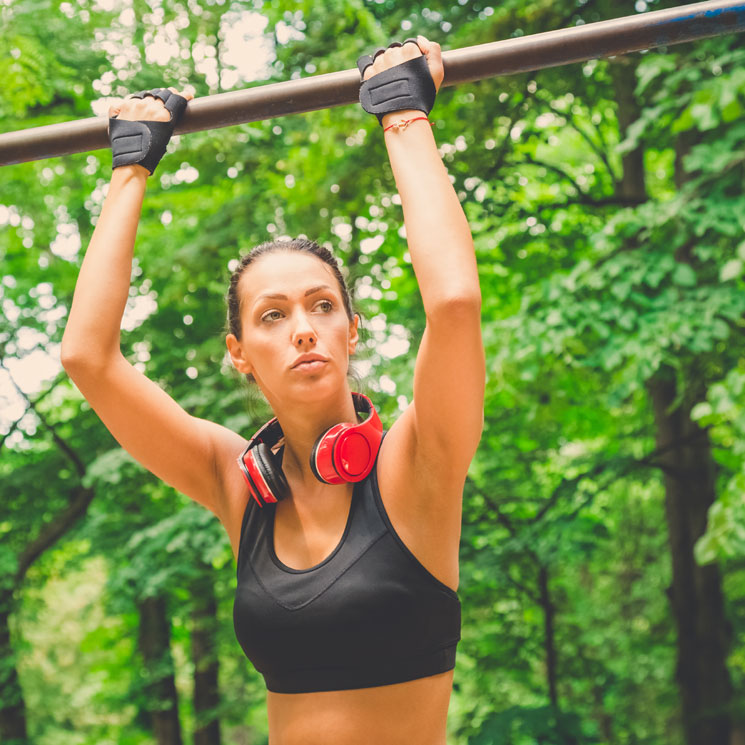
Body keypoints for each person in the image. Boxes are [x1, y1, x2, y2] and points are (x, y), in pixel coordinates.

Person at [61, 34, 485, 745]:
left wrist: (402, 114)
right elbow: (86, 356)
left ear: (351, 330)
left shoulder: (418, 462)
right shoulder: (236, 485)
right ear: (240, 355)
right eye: (272, 314)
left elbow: (453, 304)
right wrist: (130, 166)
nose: (303, 329)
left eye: (322, 306)